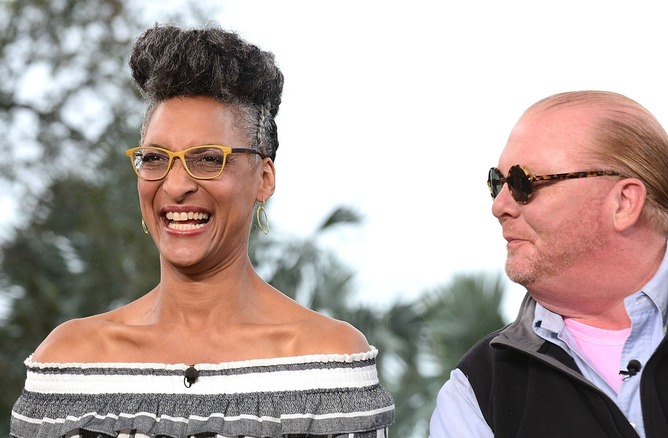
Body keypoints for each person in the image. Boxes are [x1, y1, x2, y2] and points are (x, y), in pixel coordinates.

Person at [11, 24, 394, 438]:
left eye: (209, 159)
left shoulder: (328, 368)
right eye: (156, 158)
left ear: (264, 178)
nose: (176, 186)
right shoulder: (67, 367)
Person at [429, 90, 668, 437]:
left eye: (524, 183)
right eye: (497, 183)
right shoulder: (476, 393)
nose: (500, 206)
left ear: (625, 202)